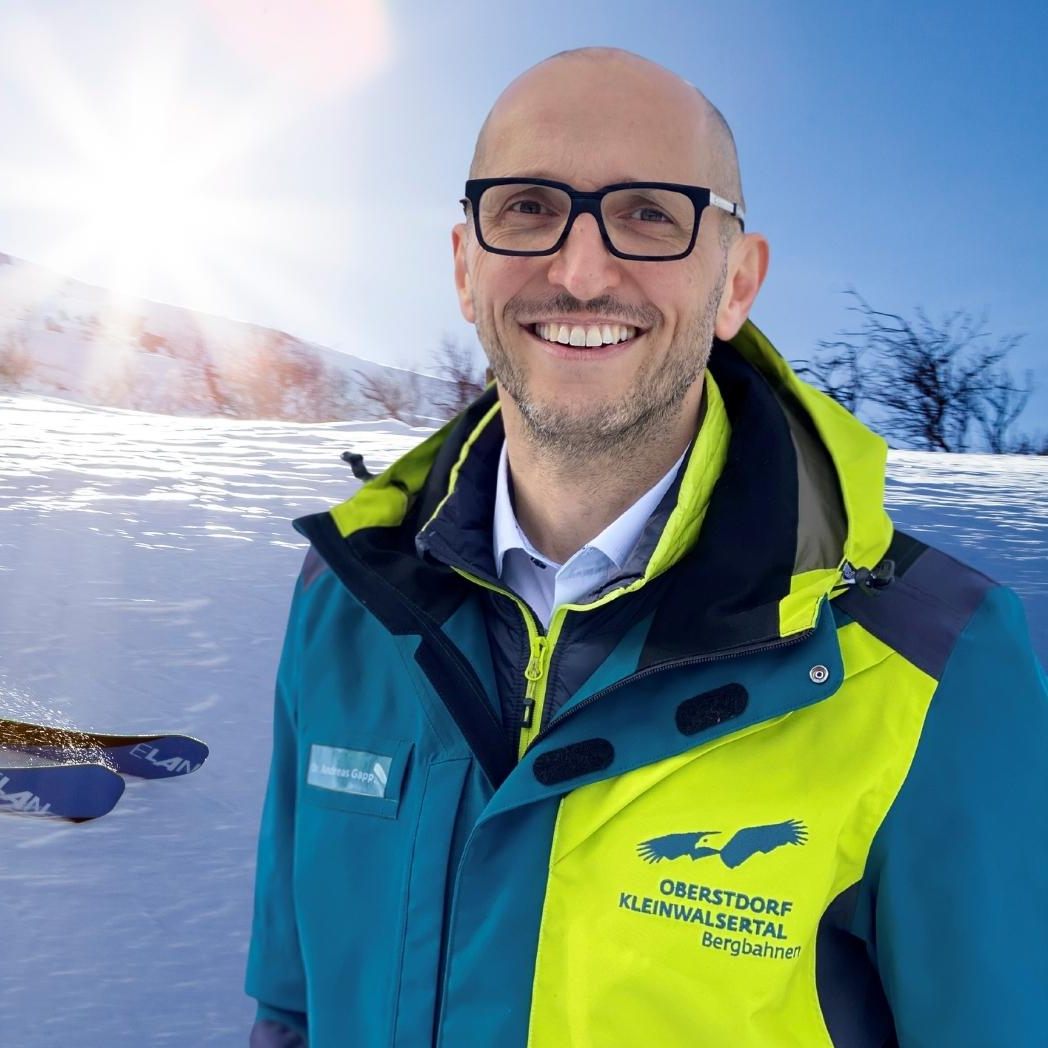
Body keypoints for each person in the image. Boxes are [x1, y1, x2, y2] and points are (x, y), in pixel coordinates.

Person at [245, 46, 1048, 1048]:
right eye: (529, 207)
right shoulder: (341, 599)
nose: (580, 272)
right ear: (463, 264)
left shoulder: (932, 659)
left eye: (649, 215)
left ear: (735, 284)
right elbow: (292, 1007)